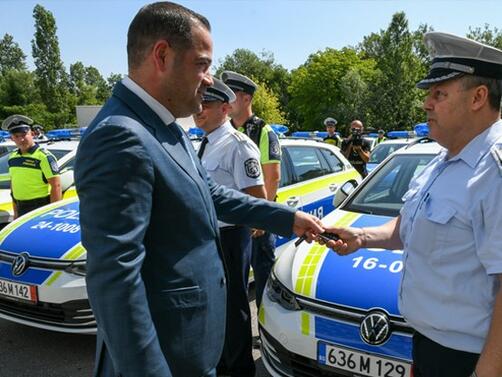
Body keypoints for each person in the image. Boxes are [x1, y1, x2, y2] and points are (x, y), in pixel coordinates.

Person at [74, 3, 324, 377]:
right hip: (164, 359)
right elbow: (115, 279)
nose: (208, 79)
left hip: (188, 348)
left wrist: (288, 219)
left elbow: (213, 195)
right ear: (162, 55)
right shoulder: (120, 135)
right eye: (202, 64)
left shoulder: (165, 126)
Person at [323, 32, 502, 377]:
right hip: (427, 343)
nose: (426, 104)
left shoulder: (493, 171)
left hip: (470, 358)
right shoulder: (444, 160)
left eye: (439, 94)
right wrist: (362, 238)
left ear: (479, 97)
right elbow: (408, 227)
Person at [194, 78, 264, 377]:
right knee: (214, 305)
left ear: (225, 108)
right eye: (198, 104)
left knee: (233, 305)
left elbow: (257, 198)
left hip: (231, 236)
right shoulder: (205, 142)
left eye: (206, 106)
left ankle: (238, 369)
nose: (199, 110)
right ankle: (220, 363)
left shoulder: (237, 145)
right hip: (208, 236)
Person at [221, 70, 281, 309]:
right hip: (233, 221)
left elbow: (272, 177)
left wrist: (260, 217)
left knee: (263, 275)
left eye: (232, 95)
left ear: (246, 99)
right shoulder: (225, 131)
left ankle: (266, 326)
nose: (227, 99)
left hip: (257, 221)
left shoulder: (264, 132)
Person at [1, 114, 61, 219]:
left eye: (24, 134)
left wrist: (53, 214)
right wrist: (16, 212)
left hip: (40, 207)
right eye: (16, 136)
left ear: (32, 134)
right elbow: (14, 186)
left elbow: (56, 186)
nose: (21, 139)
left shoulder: (44, 157)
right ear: (12, 138)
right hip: (20, 207)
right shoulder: (12, 158)